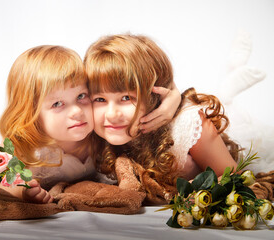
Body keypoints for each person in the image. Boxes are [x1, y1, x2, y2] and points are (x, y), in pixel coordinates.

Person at [0, 45, 182, 203]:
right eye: (57, 104)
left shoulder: (98, 132)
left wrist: (174, 96)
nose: (77, 111)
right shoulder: (27, 147)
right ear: (31, 112)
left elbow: (143, 77)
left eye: (81, 96)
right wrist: (23, 192)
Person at [84, 34, 240, 203]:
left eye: (126, 98)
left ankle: (234, 73)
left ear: (154, 97)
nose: (112, 114)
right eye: (100, 99)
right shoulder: (86, 129)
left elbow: (235, 177)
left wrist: (193, 191)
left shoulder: (187, 126)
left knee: (235, 108)